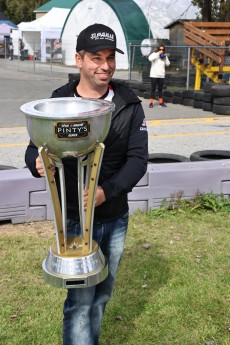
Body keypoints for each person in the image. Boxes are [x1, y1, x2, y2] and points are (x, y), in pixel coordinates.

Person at [25, 23, 148, 345]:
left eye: (110, 58)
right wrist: (35, 163)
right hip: (74, 221)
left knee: (102, 295)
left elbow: (137, 160)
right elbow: (33, 147)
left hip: (115, 217)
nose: (104, 66)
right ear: (79, 60)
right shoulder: (58, 101)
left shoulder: (128, 104)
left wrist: (106, 191)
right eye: (96, 57)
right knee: (79, 303)